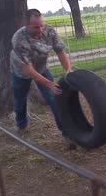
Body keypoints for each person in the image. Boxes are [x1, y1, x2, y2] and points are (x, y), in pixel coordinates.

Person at [9, 8, 76, 150]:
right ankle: (21, 125)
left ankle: (67, 133)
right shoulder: (19, 39)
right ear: (26, 25)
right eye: (36, 27)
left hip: (42, 68)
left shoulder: (49, 31)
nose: (40, 29)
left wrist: (69, 71)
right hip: (21, 72)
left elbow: (60, 52)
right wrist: (49, 83)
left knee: (54, 98)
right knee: (20, 101)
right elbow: (28, 69)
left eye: (41, 25)